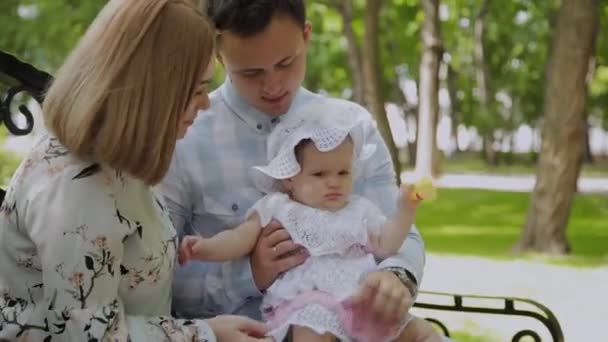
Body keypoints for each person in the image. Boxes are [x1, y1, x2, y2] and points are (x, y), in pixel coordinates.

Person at [162, 0, 441, 341]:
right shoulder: (182, 138)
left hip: (363, 324)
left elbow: (398, 233)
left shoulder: (352, 128)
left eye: (286, 62)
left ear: (306, 37)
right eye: (251, 72)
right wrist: (249, 272)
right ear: (219, 56)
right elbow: (157, 279)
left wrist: (396, 276)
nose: (274, 86)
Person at [0, 0, 268, 341]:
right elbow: (92, 336)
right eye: (197, 90)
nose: (206, 103)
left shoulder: (118, 159)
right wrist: (206, 334)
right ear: (151, 91)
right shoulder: (77, 188)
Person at [178, 101, 433, 341]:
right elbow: (239, 239)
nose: (333, 182)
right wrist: (207, 248)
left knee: (420, 332)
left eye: (342, 172)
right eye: (319, 174)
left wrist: (405, 209)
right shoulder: (278, 207)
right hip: (310, 298)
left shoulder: (359, 210)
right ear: (289, 178)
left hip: (359, 298)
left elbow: (387, 244)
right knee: (312, 327)